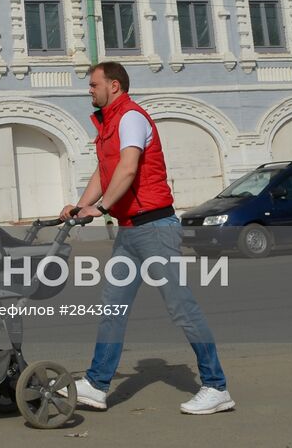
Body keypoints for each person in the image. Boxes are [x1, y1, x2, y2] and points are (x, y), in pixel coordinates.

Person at [60, 61, 234, 415]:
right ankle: (96, 384)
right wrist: (81, 207)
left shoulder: (131, 118)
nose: (89, 90)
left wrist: (103, 207)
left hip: (155, 228)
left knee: (182, 309)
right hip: (130, 231)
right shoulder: (109, 124)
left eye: (94, 84)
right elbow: (104, 171)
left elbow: (128, 168)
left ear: (115, 86)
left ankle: (217, 387)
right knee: (112, 309)